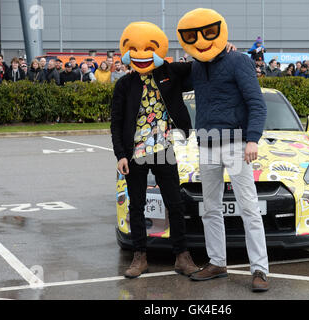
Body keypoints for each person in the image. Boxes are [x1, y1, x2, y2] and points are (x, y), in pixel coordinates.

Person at [177, 8, 269, 292]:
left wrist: (252, 139)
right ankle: (217, 262)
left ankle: (260, 270)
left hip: (237, 144)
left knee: (249, 208)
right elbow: (169, 76)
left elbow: (257, 102)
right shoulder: (195, 66)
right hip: (206, 145)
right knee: (211, 209)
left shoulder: (239, 61)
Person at [111, 21, 200, 279]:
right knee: (137, 205)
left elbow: (200, 64)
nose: (142, 55)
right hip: (134, 153)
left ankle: (182, 256)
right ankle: (140, 257)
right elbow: (116, 122)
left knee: (175, 202)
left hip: (164, 149)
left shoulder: (169, 73)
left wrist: (223, 50)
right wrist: (120, 155)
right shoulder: (125, 85)